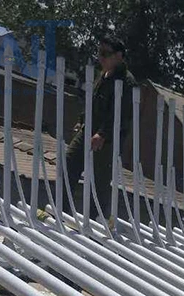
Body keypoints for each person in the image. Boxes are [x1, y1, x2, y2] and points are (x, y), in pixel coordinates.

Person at [65, 36, 136, 220]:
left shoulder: (126, 82)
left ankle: (93, 221)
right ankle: (61, 210)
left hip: (108, 138)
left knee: (99, 181)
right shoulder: (103, 75)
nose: (101, 58)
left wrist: (103, 134)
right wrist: (82, 121)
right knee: (69, 163)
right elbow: (93, 102)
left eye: (106, 54)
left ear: (119, 56)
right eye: (99, 53)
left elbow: (121, 115)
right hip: (88, 129)